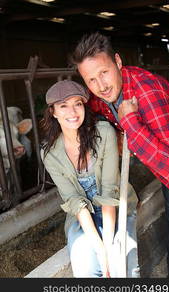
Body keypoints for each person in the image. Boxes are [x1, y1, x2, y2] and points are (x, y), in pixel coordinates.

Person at [71, 32, 169, 278]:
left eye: (104, 72)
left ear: (118, 62)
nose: (101, 86)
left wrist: (130, 124)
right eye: (91, 80)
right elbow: (94, 109)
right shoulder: (103, 94)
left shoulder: (147, 94)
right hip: (165, 171)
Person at [40, 79, 138, 278]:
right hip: (83, 215)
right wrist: (100, 250)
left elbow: (110, 189)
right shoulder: (50, 153)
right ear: (53, 111)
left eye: (77, 103)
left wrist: (109, 247)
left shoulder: (104, 134)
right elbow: (74, 200)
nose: (72, 112)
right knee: (86, 267)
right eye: (63, 106)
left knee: (123, 263)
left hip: (116, 206)